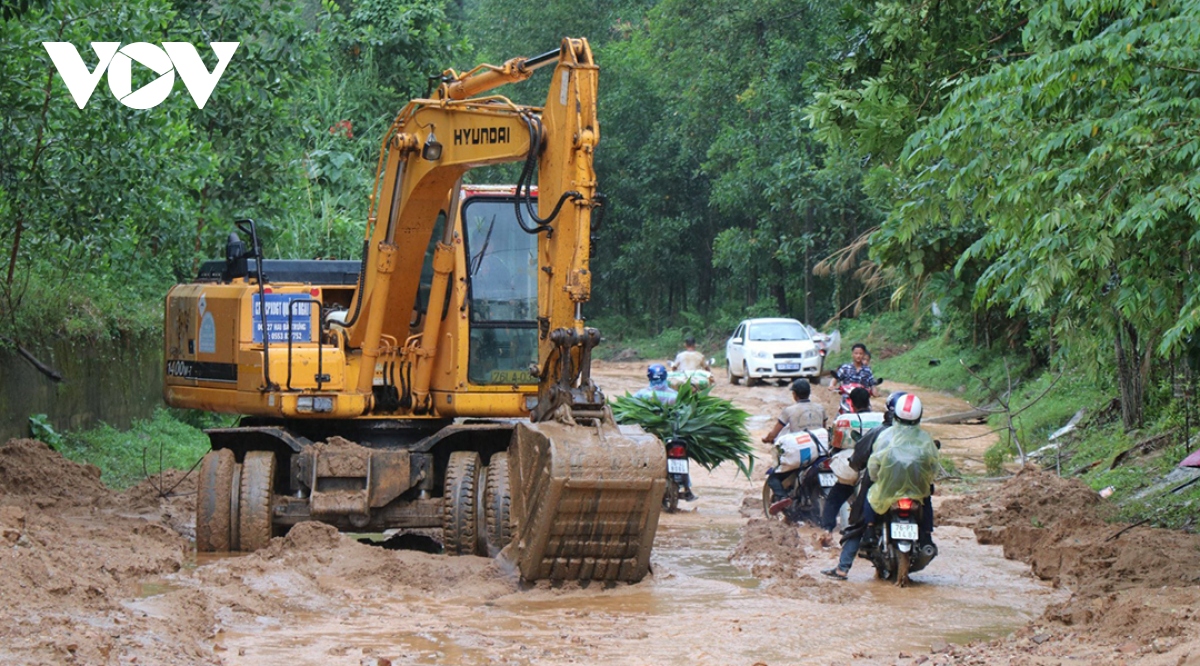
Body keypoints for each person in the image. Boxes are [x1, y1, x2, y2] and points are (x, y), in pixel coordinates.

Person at [823, 392, 937, 580]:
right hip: (916, 491)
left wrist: (872, 476)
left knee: (858, 521)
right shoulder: (924, 438)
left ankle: (844, 566)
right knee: (927, 500)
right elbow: (933, 468)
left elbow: (867, 463)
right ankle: (926, 536)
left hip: (884, 489)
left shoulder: (881, 434)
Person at [817, 391, 905, 546]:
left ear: (851, 403)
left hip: (858, 465)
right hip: (886, 467)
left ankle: (828, 530)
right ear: (869, 401)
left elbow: (835, 446)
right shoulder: (882, 419)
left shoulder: (844, 420)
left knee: (834, 497)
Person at [763, 378, 828, 515]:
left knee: (773, 478)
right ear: (809, 393)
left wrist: (768, 439)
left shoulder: (789, 411)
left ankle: (782, 498)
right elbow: (823, 429)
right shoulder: (820, 409)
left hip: (802, 452)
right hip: (821, 452)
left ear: (794, 395)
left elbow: (775, 432)